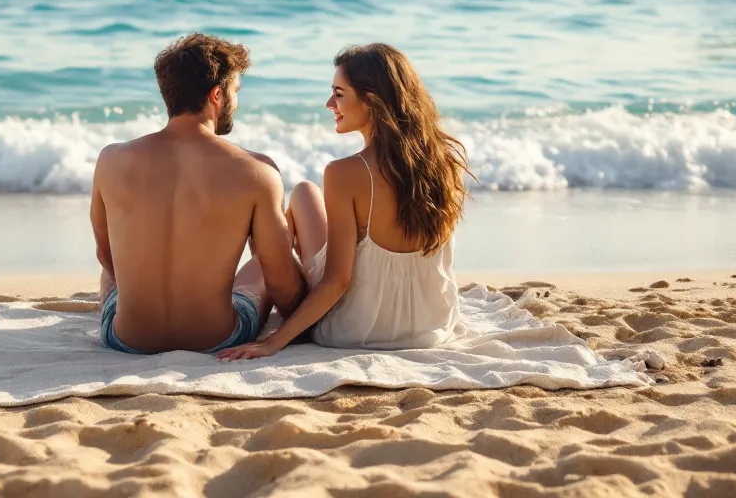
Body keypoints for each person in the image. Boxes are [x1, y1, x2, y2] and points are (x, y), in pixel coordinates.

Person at [218, 43, 471, 359]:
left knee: (296, 204)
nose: (329, 104)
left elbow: (337, 281)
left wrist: (274, 342)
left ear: (371, 100)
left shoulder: (345, 173)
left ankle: (266, 284)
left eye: (338, 94)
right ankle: (270, 274)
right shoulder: (445, 162)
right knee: (305, 192)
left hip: (355, 330)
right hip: (429, 326)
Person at [91, 33, 307, 354]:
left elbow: (106, 255)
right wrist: (302, 323)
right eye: (235, 92)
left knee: (109, 278)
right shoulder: (256, 172)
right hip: (216, 339)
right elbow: (281, 283)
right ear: (217, 95)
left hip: (127, 340)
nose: (236, 102)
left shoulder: (111, 159)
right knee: (266, 263)